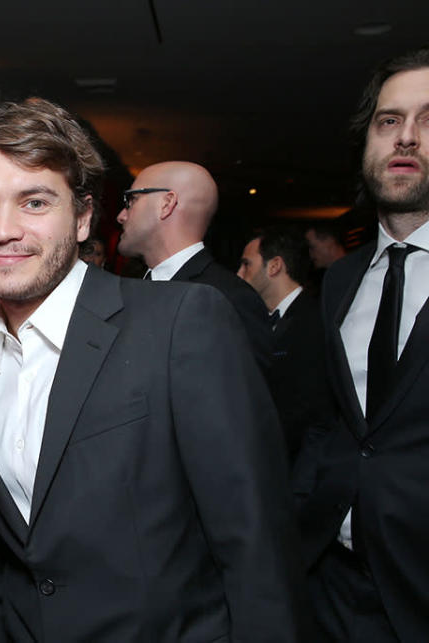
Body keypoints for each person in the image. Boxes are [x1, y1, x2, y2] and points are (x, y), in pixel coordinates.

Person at [0, 98, 307, 642]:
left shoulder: (180, 322)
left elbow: (256, 545)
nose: (2, 230)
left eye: (34, 202)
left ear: (84, 216)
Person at [294, 46, 429, 642]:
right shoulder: (343, 280)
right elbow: (331, 422)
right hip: (331, 585)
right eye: (389, 120)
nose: (406, 138)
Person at [115, 161, 273, 372]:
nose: (121, 215)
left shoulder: (228, 298)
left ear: (166, 203)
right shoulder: (130, 289)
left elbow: (245, 399)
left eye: (131, 200)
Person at [237, 226, 334, 461]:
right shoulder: (259, 321)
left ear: (275, 266)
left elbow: (315, 414)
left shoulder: (314, 321)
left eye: (247, 264)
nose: (239, 274)